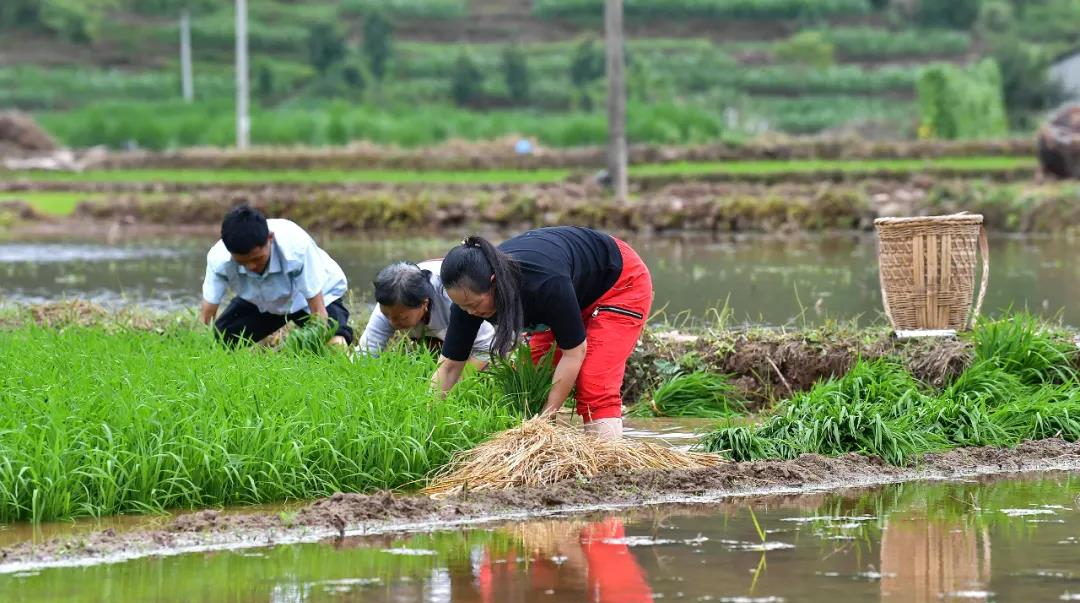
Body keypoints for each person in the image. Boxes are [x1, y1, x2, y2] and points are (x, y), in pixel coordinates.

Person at [433, 226, 653, 439]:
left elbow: (574, 353)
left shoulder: (542, 282)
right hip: (571, 292)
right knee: (531, 380)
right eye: (464, 307)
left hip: (618, 282)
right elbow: (450, 367)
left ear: (494, 282)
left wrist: (544, 424)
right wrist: (426, 415)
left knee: (594, 380)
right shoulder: (467, 301)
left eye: (474, 304)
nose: (471, 312)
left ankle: (608, 468)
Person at [198, 205, 353, 347]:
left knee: (334, 344)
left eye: (256, 259)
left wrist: (310, 342)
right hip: (262, 301)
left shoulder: (296, 247)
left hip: (313, 296)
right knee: (219, 340)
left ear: (270, 239)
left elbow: (319, 312)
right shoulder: (219, 259)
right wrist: (201, 345)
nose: (251, 267)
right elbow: (207, 315)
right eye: (242, 262)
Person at [357, 260, 495, 366]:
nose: (391, 322)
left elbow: (485, 347)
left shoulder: (454, 300)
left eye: (401, 317)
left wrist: (459, 385)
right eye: (386, 315)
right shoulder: (391, 300)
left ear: (424, 303)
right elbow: (366, 353)